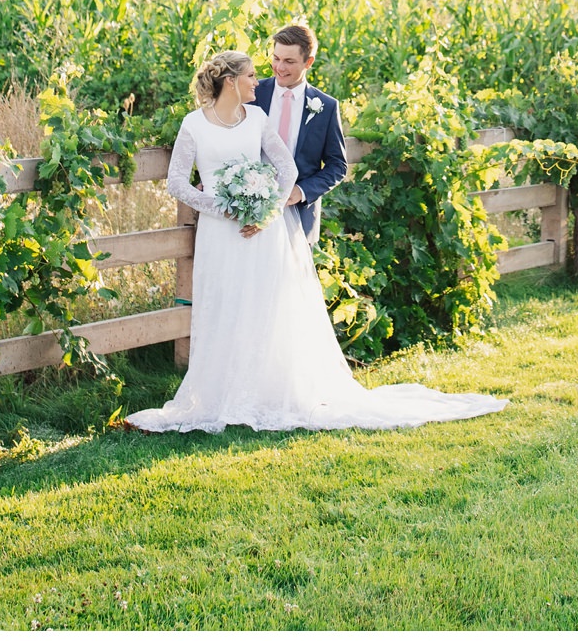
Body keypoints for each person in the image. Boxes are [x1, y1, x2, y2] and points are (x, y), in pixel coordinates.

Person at [125, 49, 506, 434]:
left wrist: (266, 209)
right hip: (218, 232)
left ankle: (262, 392)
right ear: (230, 81)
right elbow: (176, 182)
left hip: (260, 231)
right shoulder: (194, 124)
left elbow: (286, 167)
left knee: (260, 308)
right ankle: (220, 394)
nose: (259, 80)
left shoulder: (256, 118)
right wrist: (221, 208)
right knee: (222, 304)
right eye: (252, 75)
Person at [251, 22, 345, 248]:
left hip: (298, 217)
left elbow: (337, 166)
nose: (279, 67)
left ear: (308, 62)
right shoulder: (252, 94)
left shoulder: (326, 107)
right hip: (250, 212)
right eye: (276, 58)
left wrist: (301, 191)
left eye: (289, 61)